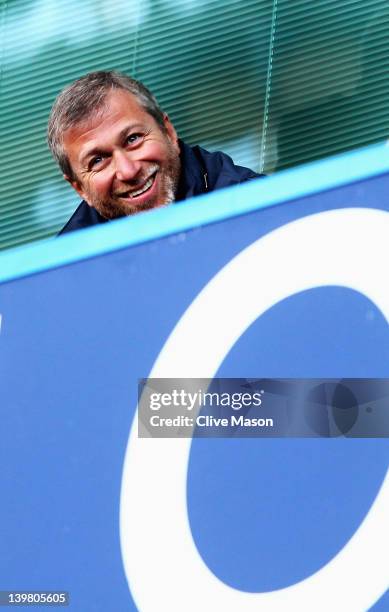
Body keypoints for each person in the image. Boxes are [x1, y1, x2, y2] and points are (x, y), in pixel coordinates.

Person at [47, 71, 261, 234]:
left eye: (133, 139)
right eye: (98, 160)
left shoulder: (254, 209)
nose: (128, 171)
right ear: (79, 188)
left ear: (168, 132)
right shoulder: (67, 272)